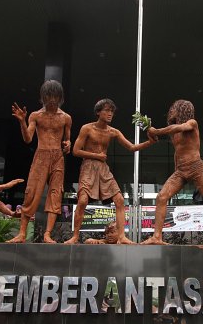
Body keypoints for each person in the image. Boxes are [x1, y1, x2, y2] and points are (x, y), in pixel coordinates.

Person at [142, 99, 203, 245]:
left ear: (182, 110)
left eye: (174, 108)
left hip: (196, 167)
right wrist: (175, 168)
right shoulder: (174, 132)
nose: (171, 111)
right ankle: (157, 237)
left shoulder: (192, 123)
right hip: (180, 171)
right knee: (161, 197)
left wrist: (157, 131)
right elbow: (177, 151)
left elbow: (179, 127)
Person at [65, 98, 155, 245]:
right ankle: (75, 236)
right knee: (82, 201)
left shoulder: (113, 132)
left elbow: (131, 147)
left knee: (119, 200)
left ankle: (122, 237)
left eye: (112, 111)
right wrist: (97, 156)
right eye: (106, 110)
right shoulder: (87, 128)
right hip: (88, 167)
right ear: (98, 112)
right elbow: (75, 151)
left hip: (103, 169)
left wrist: (149, 142)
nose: (110, 114)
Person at [7, 79, 72, 244]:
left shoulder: (66, 118)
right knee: (31, 192)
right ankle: (22, 233)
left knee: (55, 194)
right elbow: (28, 139)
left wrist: (67, 145)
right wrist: (22, 121)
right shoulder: (36, 115)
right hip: (41, 156)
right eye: (48, 96)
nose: (52, 99)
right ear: (43, 97)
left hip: (57, 157)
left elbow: (67, 140)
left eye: (55, 96)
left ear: (60, 97)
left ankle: (47, 234)